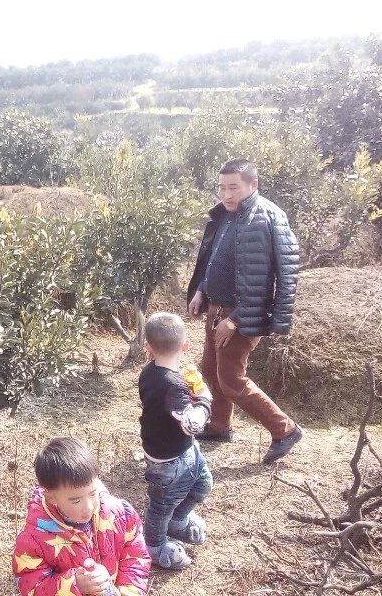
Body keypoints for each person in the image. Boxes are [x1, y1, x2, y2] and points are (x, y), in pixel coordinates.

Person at [188, 158, 302, 464]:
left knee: (231, 380)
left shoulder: (265, 218)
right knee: (211, 370)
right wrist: (201, 290)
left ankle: (285, 430)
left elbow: (263, 280)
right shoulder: (226, 214)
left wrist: (235, 320)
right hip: (216, 309)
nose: (226, 194)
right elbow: (214, 259)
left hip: (239, 316)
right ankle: (219, 426)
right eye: (221, 187)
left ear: (253, 185)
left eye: (233, 188)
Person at [12, 436, 150, 596]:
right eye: (75, 500)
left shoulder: (119, 515)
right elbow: (31, 585)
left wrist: (128, 591)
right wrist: (74, 585)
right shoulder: (34, 540)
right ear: (51, 497)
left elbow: (135, 556)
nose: (89, 507)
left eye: (93, 493)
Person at [138, 312, 213, 570]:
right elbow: (192, 424)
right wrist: (203, 398)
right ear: (186, 345)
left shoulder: (151, 373)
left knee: (203, 483)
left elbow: (172, 409)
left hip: (184, 450)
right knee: (161, 506)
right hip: (168, 461)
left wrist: (188, 393)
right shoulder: (172, 385)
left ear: (148, 347)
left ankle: (178, 521)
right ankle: (154, 546)